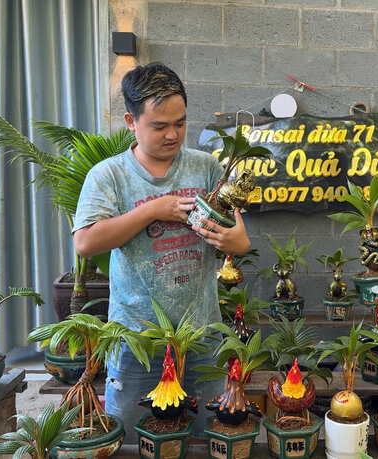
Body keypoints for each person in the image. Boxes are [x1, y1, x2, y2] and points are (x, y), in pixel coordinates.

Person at [72, 62, 251, 442]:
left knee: (207, 437)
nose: (173, 134)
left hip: (201, 334)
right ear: (131, 121)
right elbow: (86, 242)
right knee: (134, 440)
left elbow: (241, 241)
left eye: (180, 123)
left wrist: (229, 241)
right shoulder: (110, 175)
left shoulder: (205, 167)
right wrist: (152, 210)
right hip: (137, 339)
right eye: (159, 126)